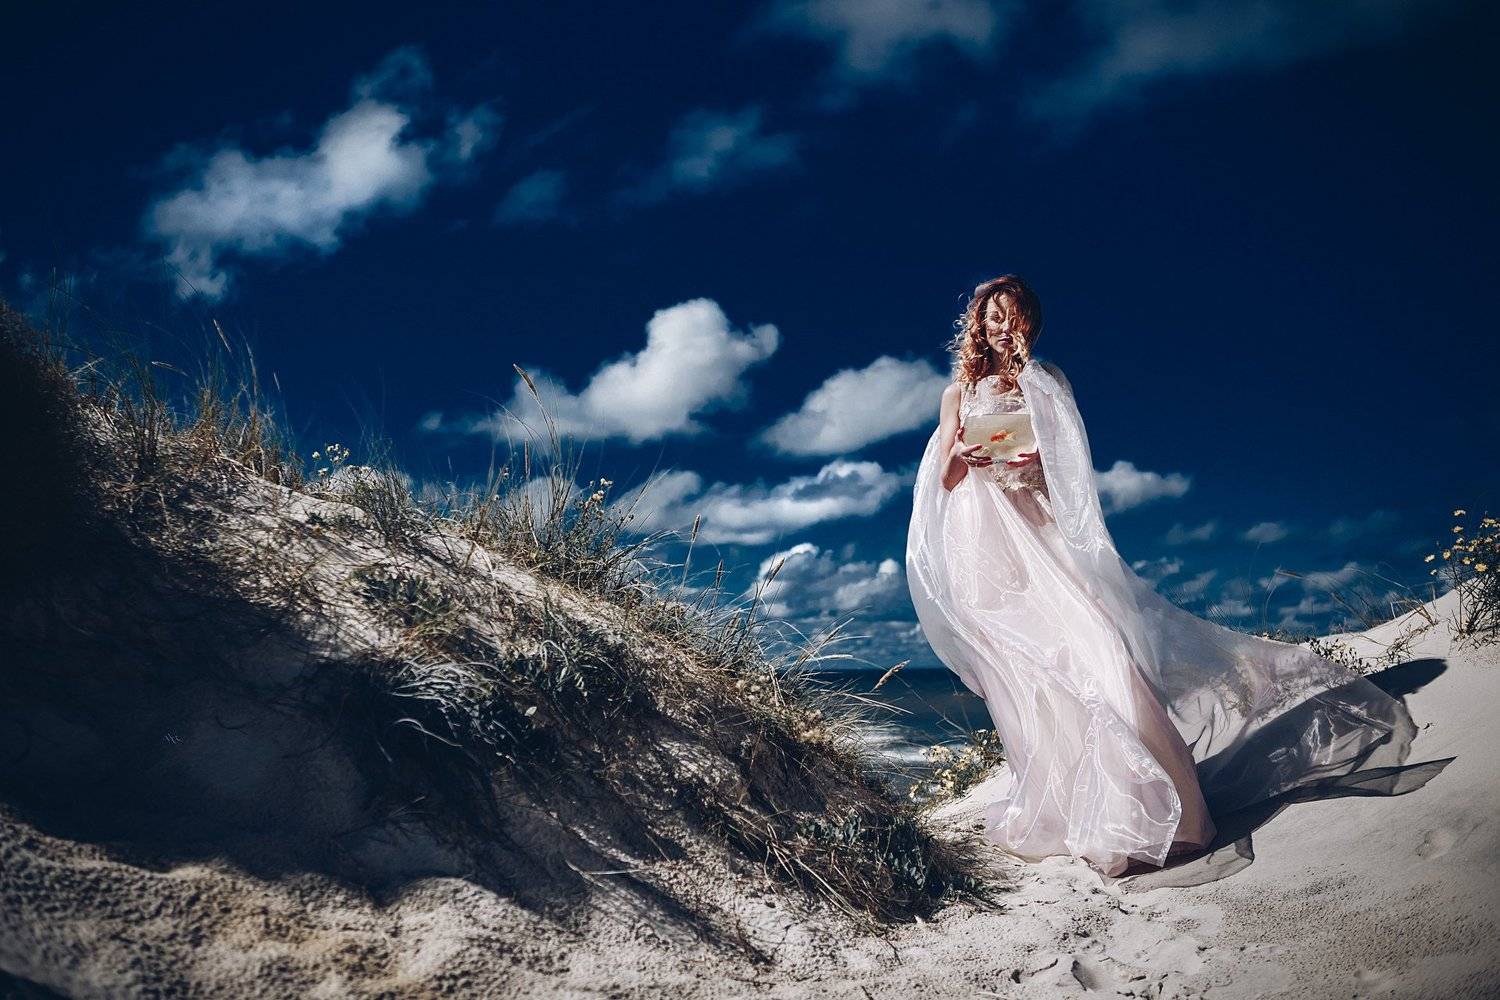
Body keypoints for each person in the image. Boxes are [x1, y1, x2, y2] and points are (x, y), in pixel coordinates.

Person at [905, 274, 1417, 878]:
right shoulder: (957, 393)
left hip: (1046, 536)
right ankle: (1078, 810)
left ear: (1027, 323)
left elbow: (1069, 468)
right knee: (1039, 675)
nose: (998, 325)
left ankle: (1161, 814)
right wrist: (968, 456)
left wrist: (1031, 455)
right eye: (989, 315)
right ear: (977, 322)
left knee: (1103, 654)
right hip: (996, 552)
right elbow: (943, 483)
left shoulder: (1047, 382)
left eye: (1009, 315)